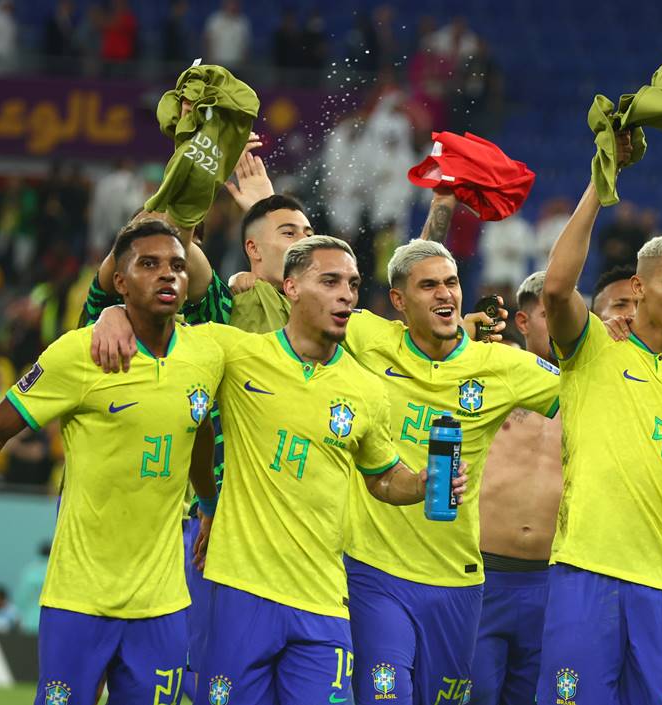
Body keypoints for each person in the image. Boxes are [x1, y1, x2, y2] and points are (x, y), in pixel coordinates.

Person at [187, 236, 465, 704]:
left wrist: (420, 483)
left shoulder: (365, 389)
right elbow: (157, 327)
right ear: (291, 288)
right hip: (240, 592)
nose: (347, 295)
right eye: (331, 281)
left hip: (323, 602)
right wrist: (113, 314)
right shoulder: (236, 356)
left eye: (353, 284)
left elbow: (380, 476)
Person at [539, 128, 662, 705]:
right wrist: (602, 183)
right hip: (583, 573)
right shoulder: (595, 346)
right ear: (637, 288)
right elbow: (554, 287)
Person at [0, 219, 223, 705]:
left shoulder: (208, 354)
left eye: (177, 266)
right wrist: (108, 316)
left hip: (163, 603)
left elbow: (200, 427)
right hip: (80, 598)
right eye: (149, 265)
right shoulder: (82, 354)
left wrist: (208, 500)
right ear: (119, 282)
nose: (168, 276)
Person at [341, 239, 560, 705]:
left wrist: (649, 340)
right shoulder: (367, 338)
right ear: (399, 301)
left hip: (456, 577)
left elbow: (593, 389)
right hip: (373, 569)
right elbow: (303, 294)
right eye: (428, 286)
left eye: (451, 283)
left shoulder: (502, 366)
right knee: (387, 696)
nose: (445, 294)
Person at [471, 271, 563, 705]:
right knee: (477, 695)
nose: (564, 322)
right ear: (522, 322)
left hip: (552, 580)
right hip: (484, 574)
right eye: (550, 314)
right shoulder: (487, 369)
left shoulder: (595, 383)